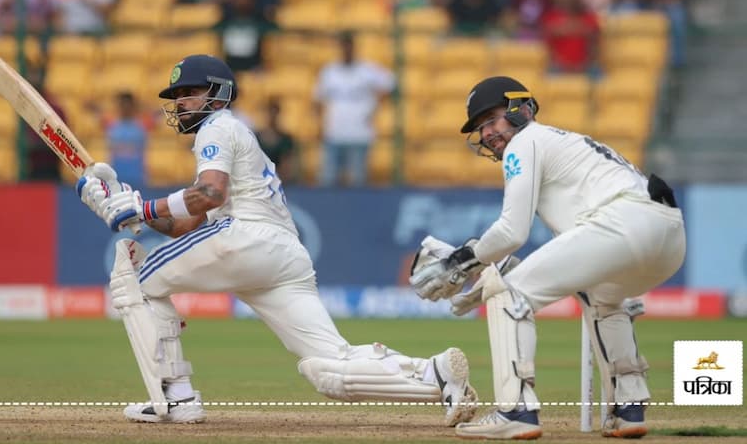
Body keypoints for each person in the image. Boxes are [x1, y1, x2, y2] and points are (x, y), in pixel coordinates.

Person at [74, 55, 477, 425]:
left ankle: (175, 397)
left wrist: (139, 210)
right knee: (328, 367)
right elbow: (183, 227)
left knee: (136, 275)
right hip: (284, 255)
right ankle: (433, 374)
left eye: (189, 94)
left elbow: (210, 193)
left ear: (217, 95)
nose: (180, 103)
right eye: (176, 96)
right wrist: (127, 204)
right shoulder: (236, 135)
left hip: (244, 237)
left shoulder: (217, 126)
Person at [410, 76, 686, 439]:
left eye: (492, 119)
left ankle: (516, 411)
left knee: (507, 294)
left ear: (520, 109)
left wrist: (458, 263)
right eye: (481, 127)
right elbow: (572, 247)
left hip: (625, 222)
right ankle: (628, 409)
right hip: (668, 235)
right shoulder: (562, 143)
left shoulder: (524, 143)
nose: (489, 133)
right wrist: (483, 265)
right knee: (601, 297)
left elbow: (512, 232)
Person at [314, 32, 395, 186]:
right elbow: (318, 99)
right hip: (334, 133)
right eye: (343, 47)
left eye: (349, 47)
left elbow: (391, 83)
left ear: (354, 48)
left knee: (358, 181)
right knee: (328, 180)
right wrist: (319, 125)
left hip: (360, 134)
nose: (346, 51)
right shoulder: (329, 72)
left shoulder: (367, 70)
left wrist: (376, 105)